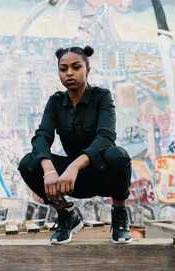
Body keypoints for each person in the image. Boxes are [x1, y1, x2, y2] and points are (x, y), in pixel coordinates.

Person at [18, 45, 132, 244]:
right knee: (29, 163)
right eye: (63, 69)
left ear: (87, 69)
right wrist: (49, 169)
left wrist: (75, 165)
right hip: (69, 182)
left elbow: (106, 136)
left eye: (76, 67)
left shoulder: (102, 97)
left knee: (118, 155)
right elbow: (42, 136)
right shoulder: (55, 102)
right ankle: (66, 214)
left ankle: (120, 214)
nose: (69, 73)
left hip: (101, 174)